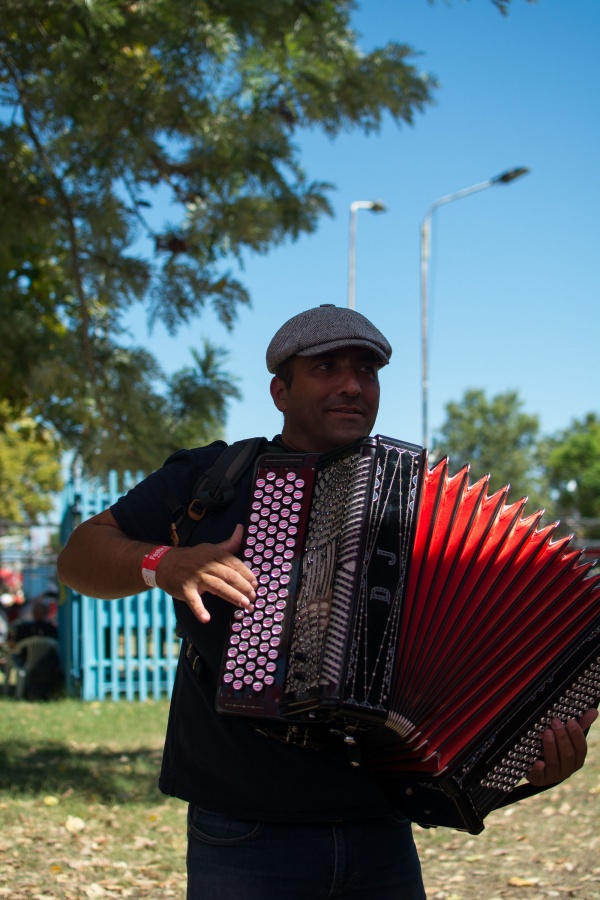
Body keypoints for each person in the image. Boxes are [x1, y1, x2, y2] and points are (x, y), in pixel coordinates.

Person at [57, 304, 597, 900]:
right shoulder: (214, 478)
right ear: (279, 391)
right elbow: (79, 555)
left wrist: (528, 749)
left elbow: (484, 653)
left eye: (366, 369)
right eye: (326, 367)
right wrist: (163, 562)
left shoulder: (420, 510)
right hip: (245, 829)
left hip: (381, 825)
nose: (351, 384)